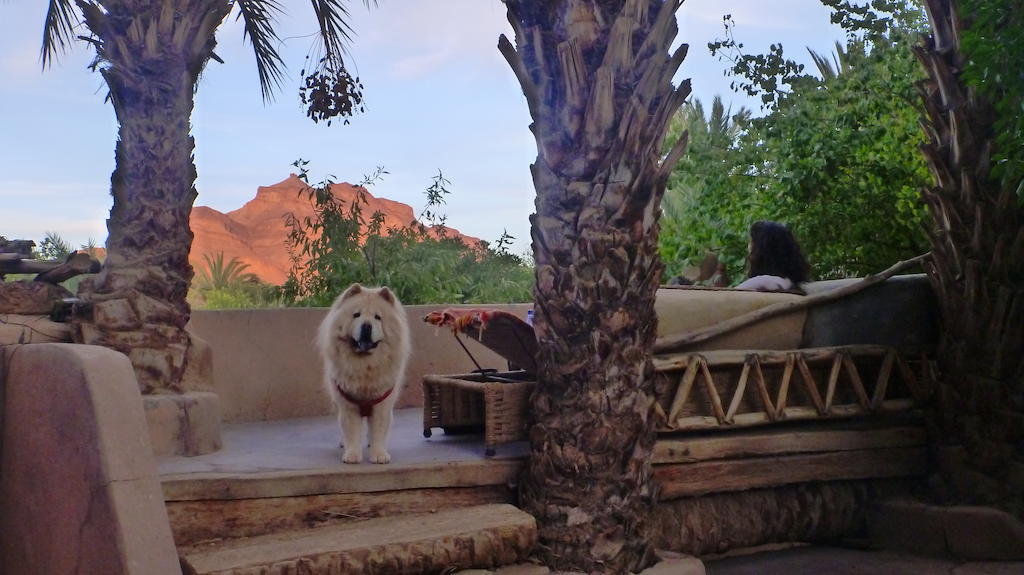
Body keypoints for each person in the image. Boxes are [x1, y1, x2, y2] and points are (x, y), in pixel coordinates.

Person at [735, 220, 810, 293]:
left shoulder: (760, 283)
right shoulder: (790, 284)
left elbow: (726, 298)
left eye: (751, 241)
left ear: (760, 251)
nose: (748, 247)